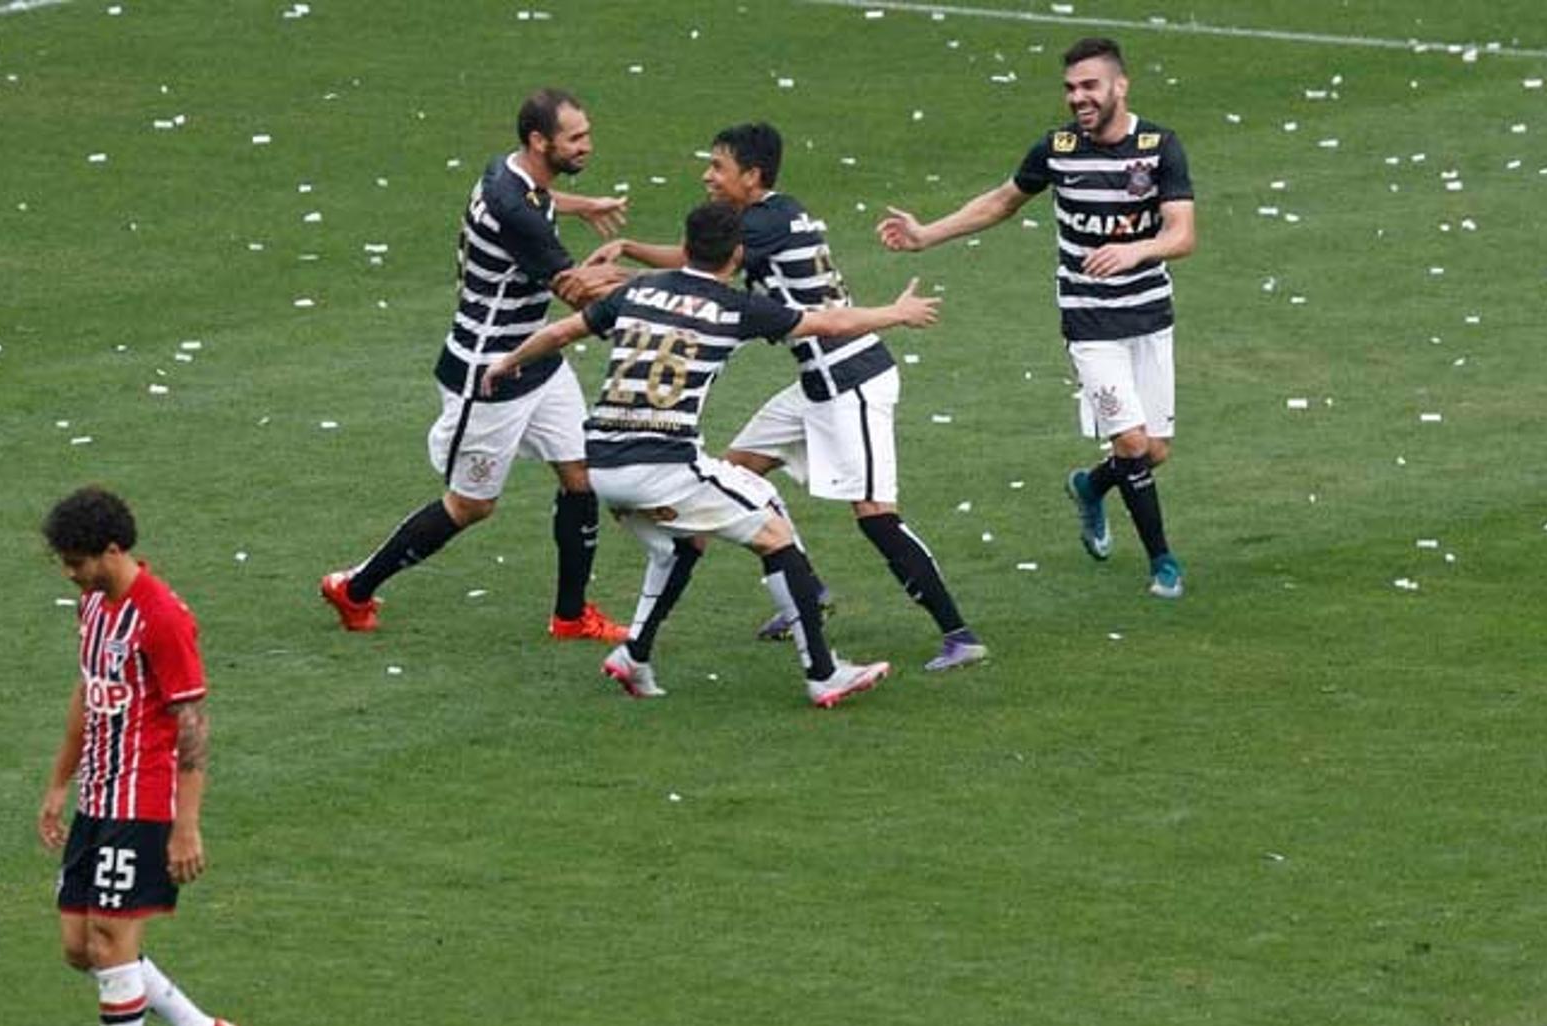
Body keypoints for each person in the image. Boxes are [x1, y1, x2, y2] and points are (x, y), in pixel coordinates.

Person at [484, 202, 941, 708]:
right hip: (662, 464)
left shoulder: (637, 290)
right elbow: (829, 322)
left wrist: (507, 363)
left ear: (687, 244)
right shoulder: (734, 307)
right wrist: (896, 314)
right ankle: (823, 674)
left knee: (682, 545)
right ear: (738, 254)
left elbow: (558, 333)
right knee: (776, 534)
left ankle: (634, 657)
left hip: (601, 467)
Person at [586, 123, 986, 671]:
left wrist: (625, 267)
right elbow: (696, 273)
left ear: (752, 177)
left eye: (718, 167)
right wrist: (629, 269)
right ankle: (807, 591)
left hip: (853, 380)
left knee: (874, 514)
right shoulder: (776, 213)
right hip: (817, 382)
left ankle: (959, 634)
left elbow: (695, 267)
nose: (708, 175)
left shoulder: (762, 223)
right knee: (735, 471)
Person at [878, 36, 1196, 598]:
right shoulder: (1056, 149)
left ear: (1120, 86)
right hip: (1089, 322)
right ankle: (1163, 562)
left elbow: (1182, 233)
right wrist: (926, 234)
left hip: (1149, 314)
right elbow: (1002, 201)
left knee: (1155, 451)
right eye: (1071, 88)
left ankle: (1090, 487)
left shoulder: (1159, 146)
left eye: (1090, 86)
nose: (1079, 98)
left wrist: (1136, 251)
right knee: (1130, 443)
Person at [320, 87, 632, 639]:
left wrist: (586, 207)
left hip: (538, 357)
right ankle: (354, 588)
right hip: (492, 372)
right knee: (471, 505)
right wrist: (661, 282)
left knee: (581, 477)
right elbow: (580, 297)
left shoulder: (506, 173)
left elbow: (536, 202)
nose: (588, 146)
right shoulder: (520, 214)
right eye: (576, 138)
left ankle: (570, 615)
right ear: (540, 141)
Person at [37, 487, 242, 1026]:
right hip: (97, 796)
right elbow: (87, 691)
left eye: (77, 561)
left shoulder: (164, 618)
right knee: (80, 947)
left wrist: (187, 823)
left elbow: (193, 723)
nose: (70, 572)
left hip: (144, 800)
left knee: (112, 941)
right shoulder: (94, 606)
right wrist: (57, 783)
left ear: (113, 550)